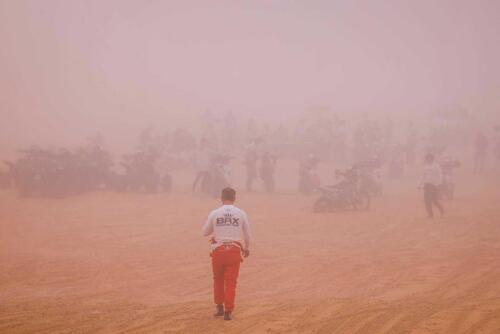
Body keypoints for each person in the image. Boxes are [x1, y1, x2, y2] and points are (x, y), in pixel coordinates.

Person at [202, 187, 251, 320]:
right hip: (234, 251)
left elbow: (205, 232)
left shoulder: (215, 213)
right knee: (231, 282)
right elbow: (247, 234)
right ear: (234, 199)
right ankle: (228, 311)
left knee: (218, 280)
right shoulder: (241, 213)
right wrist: (247, 248)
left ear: (221, 198)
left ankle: (219, 308)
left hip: (218, 251)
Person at [420, 153, 444, 219]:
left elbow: (440, 175)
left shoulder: (436, 166)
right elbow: (423, 176)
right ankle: (430, 214)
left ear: (432, 159)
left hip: (434, 185)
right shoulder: (425, 166)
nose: (428, 160)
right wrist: (419, 184)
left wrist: (439, 183)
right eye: (427, 158)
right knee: (426, 200)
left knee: (434, 200)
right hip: (427, 184)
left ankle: (441, 209)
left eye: (429, 158)